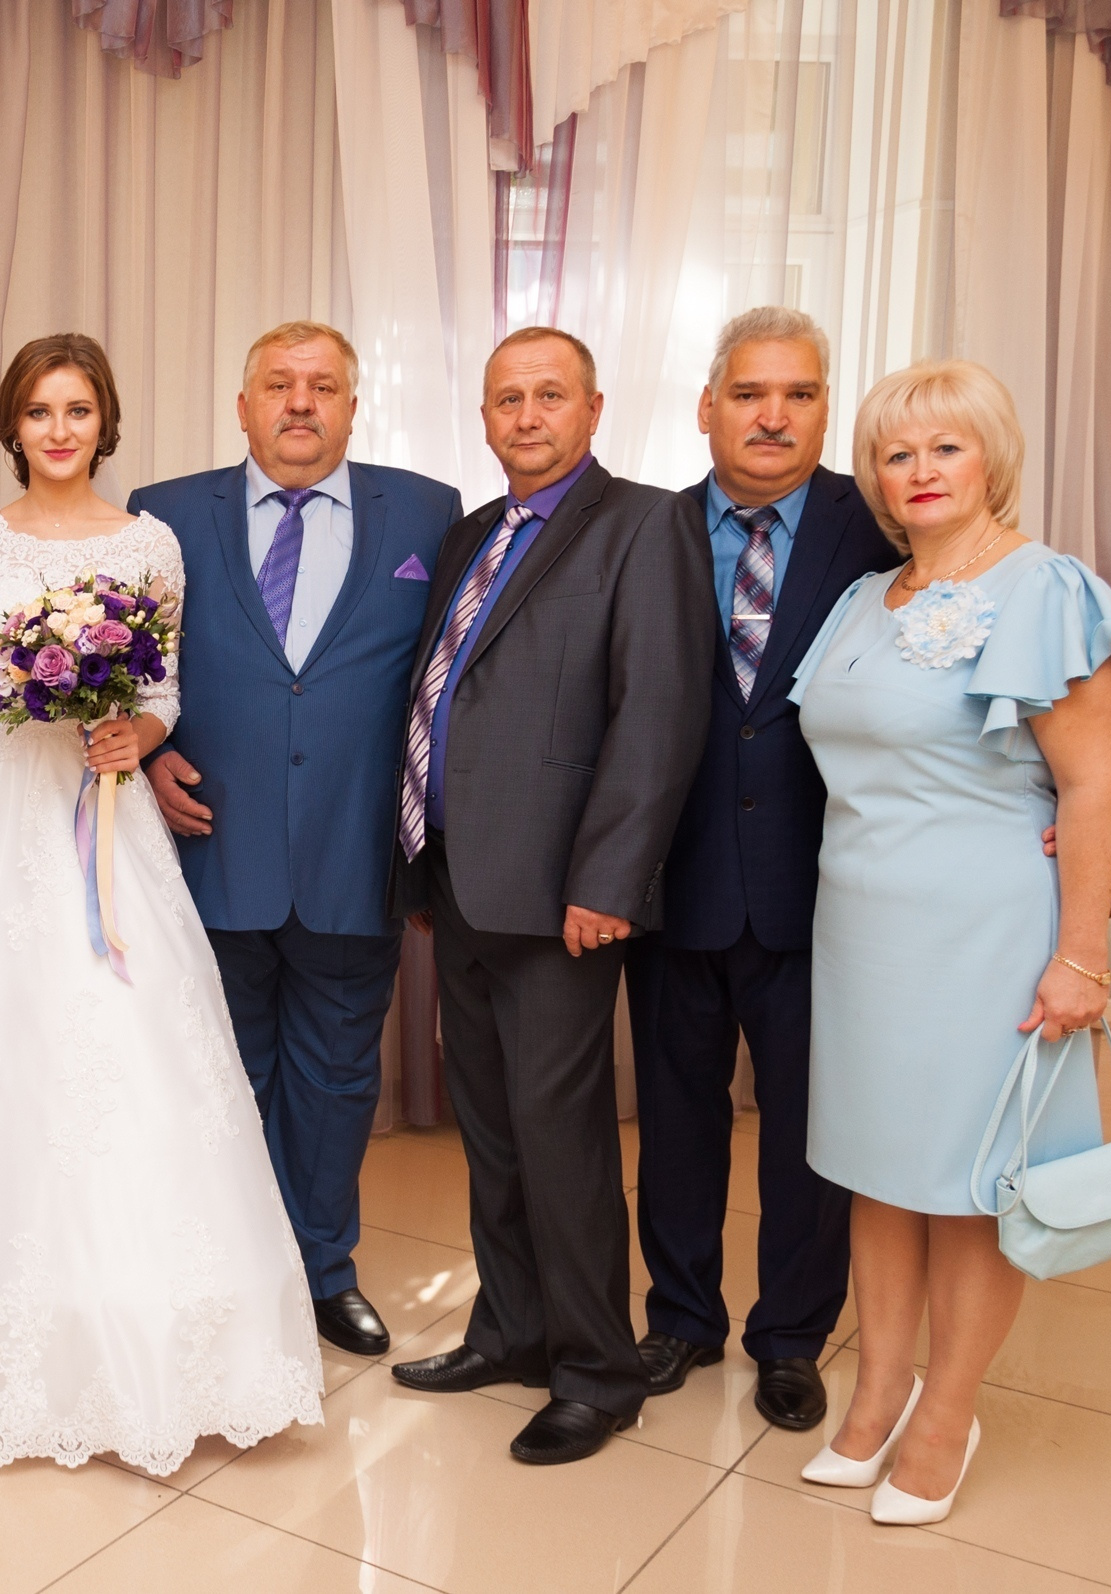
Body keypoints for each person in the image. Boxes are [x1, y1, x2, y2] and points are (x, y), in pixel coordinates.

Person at [0, 334, 325, 1475]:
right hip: (3, 803)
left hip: (107, 808)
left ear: (101, 420)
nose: (57, 429)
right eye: (37, 410)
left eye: (76, 409)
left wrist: (136, 732)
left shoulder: (149, 540)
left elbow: (162, 683)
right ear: (11, 425)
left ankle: (166, 1334)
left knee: (133, 1040)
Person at [789, 360, 1111, 1523]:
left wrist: (1082, 956)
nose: (919, 473)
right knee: (879, 1173)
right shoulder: (866, 598)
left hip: (989, 930)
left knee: (969, 1181)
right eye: (897, 455)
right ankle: (879, 1389)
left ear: (992, 456)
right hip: (862, 928)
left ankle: (946, 1411)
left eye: (945, 448)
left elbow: (1094, 787)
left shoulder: (1049, 590)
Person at [387, 327, 714, 1465]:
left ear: (594, 407)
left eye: (549, 396)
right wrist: (420, 857)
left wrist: (610, 881)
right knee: (493, 1132)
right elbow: (451, 696)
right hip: (463, 880)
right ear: (484, 418)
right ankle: (513, 1328)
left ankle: (596, 1366)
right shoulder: (474, 532)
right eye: (507, 399)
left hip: (565, 893)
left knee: (562, 1136)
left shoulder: (647, 523)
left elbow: (660, 714)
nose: (527, 416)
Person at [131, 322, 462, 1358]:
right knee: (222, 1072)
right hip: (209, 846)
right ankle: (231, 1267)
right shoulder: (166, 514)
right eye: (278, 384)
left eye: (323, 386)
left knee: (334, 1080)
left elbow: (452, 676)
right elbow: (132, 672)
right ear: (242, 406)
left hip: (356, 854)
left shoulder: (428, 510)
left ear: (354, 407)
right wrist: (145, 759)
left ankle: (321, 1269)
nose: (300, 403)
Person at [622, 308, 898, 1429]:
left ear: (826, 409)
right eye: (748, 393)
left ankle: (790, 1334)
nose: (772, 414)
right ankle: (681, 1319)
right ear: (707, 409)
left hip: (827, 887)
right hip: (672, 880)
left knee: (808, 1133)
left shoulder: (877, 526)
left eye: (797, 393)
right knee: (676, 1121)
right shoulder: (645, 530)